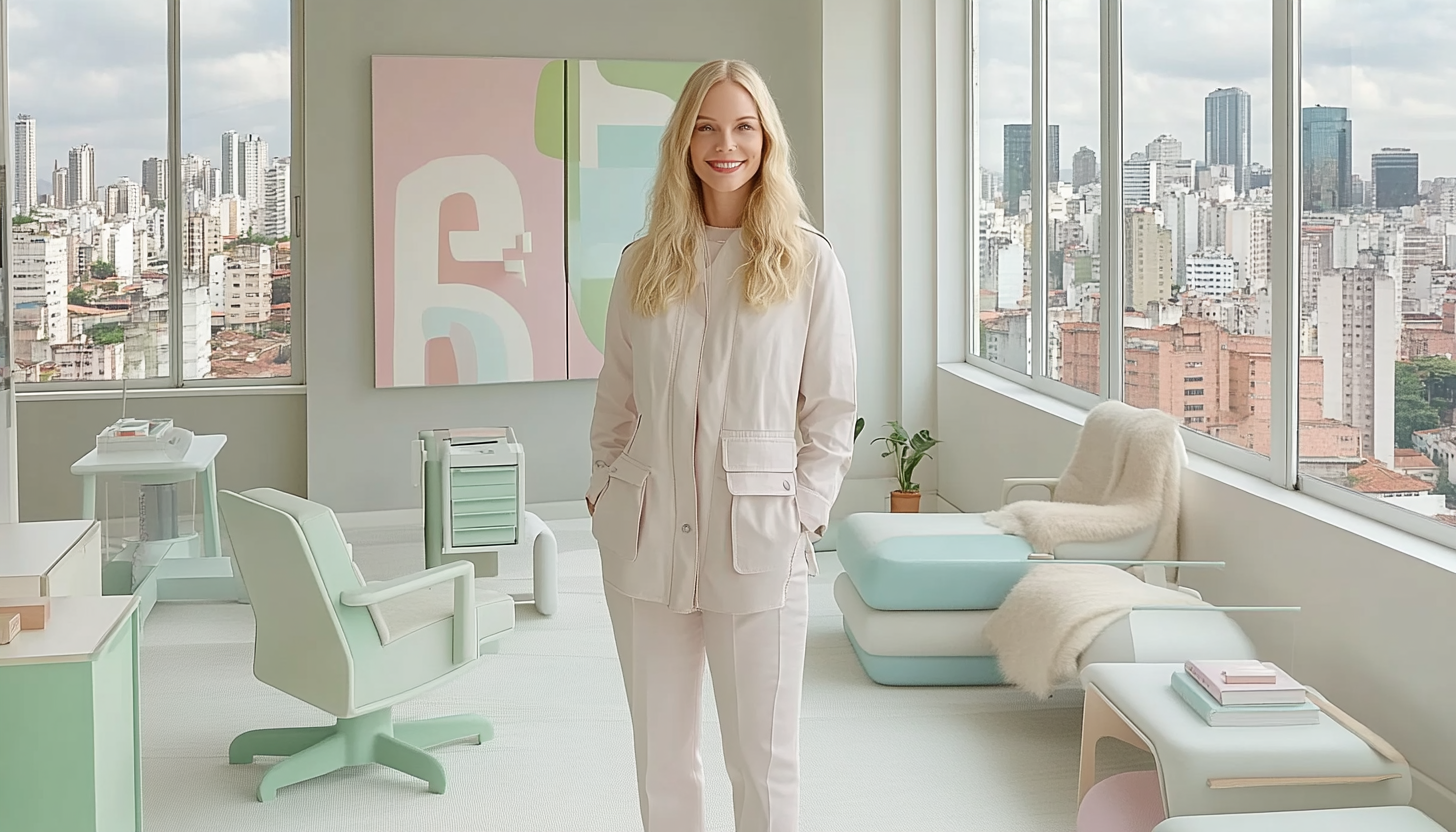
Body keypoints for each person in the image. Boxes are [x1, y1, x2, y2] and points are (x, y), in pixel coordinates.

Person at [584, 59, 857, 832]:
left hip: (762, 537)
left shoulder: (808, 263)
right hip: (645, 535)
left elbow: (832, 411)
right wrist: (604, 486)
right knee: (662, 757)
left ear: (766, 140)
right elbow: (617, 397)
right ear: (683, 142)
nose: (724, 144)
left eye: (742, 126)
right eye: (705, 126)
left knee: (763, 760)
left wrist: (803, 512)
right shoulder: (643, 262)